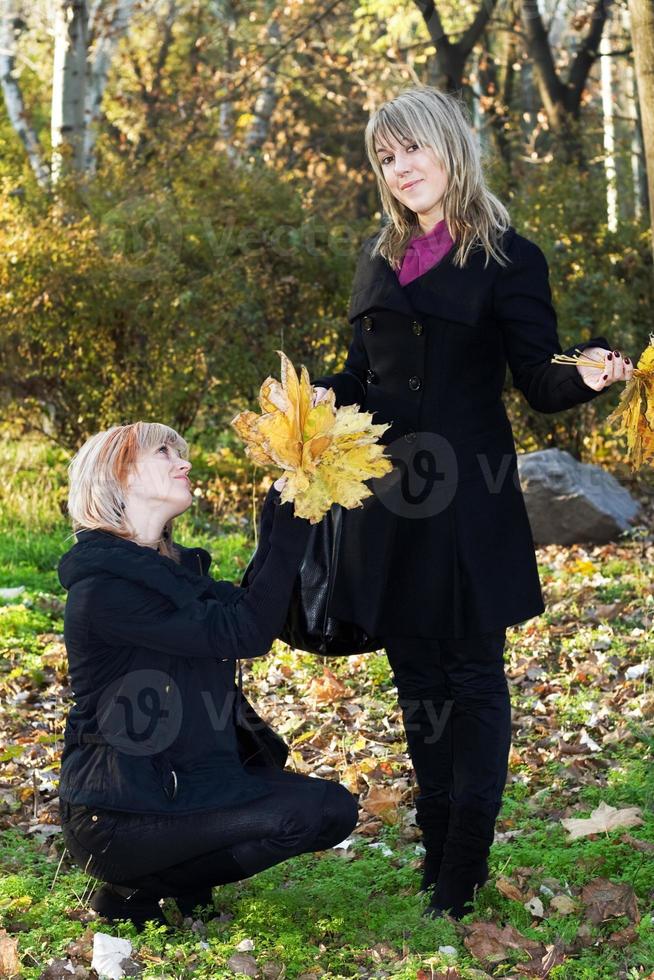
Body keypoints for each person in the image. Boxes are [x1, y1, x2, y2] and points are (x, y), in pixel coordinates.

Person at [310, 86, 633, 919]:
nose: (400, 167)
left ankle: (462, 873)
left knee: (475, 682)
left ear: (451, 147)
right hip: (390, 506)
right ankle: (435, 851)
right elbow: (360, 381)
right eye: (385, 157)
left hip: (469, 502)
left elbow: (535, 379)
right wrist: (299, 404)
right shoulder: (378, 257)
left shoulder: (508, 257)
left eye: (412, 148)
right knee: (418, 680)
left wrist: (586, 373)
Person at [57, 421, 358, 928]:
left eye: (182, 451)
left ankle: (181, 879)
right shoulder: (105, 591)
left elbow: (250, 608)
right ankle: (133, 887)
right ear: (119, 475)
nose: (185, 462)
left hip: (183, 784)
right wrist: (283, 533)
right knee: (299, 815)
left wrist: (281, 509)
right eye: (165, 452)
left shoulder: (171, 572)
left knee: (332, 811)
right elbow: (244, 631)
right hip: (118, 813)